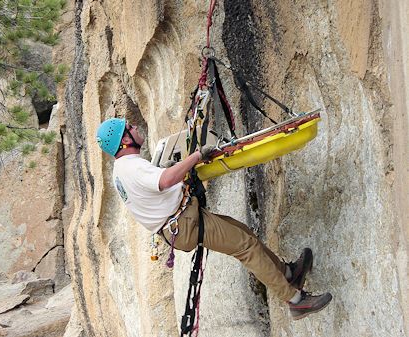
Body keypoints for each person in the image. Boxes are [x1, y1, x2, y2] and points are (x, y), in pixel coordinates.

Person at [97, 117, 332, 320]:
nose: (136, 127)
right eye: (130, 127)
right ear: (124, 140)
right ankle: (295, 300)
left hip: (181, 221)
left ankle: (289, 273)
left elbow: (156, 185)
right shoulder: (133, 167)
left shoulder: (122, 169)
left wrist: (174, 168)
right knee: (245, 246)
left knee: (244, 234)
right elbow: (165, 181)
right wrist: (196, 156)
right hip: (184, 223)